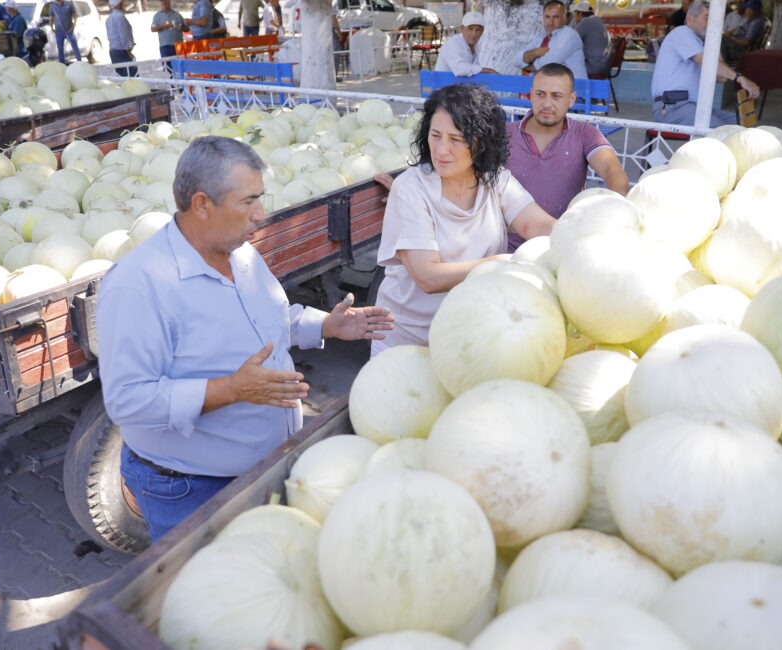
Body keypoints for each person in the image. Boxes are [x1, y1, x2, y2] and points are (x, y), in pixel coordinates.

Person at [98, 136, 394, 542]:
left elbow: (264, 324)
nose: (261, 214)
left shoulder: (240, 254)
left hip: (261, 469)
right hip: (193, 491)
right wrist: (232, 389)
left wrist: (325, 325)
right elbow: (128, 400)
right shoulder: (138, 284)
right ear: (202, 204)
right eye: (249, 201)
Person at [371, 84, 558, 354]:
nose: (442, 150)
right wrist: (501, 264)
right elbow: (428, 277)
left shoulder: (496, 180)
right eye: (436, 136)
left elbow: (537, 225)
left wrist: (573, 239)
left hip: (469, 335)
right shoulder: (411, 188)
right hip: (406, 340)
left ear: (481, 141)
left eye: (456, 139)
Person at [505, 63, 629, 249]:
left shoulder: (584, 134)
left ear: (571, 99)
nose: (547, 104)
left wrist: (617, 208)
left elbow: (611, 169)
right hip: (507, 247)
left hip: (563, 245)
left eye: (556, 96)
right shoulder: (505, 134)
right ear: (531, 95)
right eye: (540, 94)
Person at [650, 0, 760, 127]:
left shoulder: (700, 43)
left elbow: (721, 77)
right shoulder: (682, 33)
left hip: (694, 107)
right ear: (691, 19)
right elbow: (705, 61)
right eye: (707, 17)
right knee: (722, 133)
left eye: (715, 19)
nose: (713, 23)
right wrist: (740, 78)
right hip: (672, 106)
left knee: (743, 126)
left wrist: (713, 38)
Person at [519, 0, 588, 78]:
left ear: (564, 19)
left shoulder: (570, 34)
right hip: (552, 87)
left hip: (574, 88)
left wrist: (527, 67)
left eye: (556, 17)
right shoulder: (542, 35)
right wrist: (535, 52)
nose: (551, 22)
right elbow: (517, 59)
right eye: (547, 17)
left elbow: (547, 64)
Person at [435, 11, 497, 76]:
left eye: (478, 30)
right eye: (470, 29)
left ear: (482, 32)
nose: (474, 34)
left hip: (460, 84)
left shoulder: (477, 46)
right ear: (462, 28)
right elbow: (460, 69)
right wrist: (487, 70)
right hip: (445, 85)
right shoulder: (453, 43)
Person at [571, 1, 610, 77]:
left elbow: (571, 39)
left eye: (575, 14)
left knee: (563, 68)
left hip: (592, 66)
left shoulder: (585, 21)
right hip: (602, 65)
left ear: (580, 13)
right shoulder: (598, 20)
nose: (574, 17)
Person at [106, 0, 136, 77]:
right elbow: (124, 36)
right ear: (119, 5)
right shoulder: (120, 17)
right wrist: (128, 50)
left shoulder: (108, 19)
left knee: (121, 76)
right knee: (131, 76)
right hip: (122, 51)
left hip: (113, 51)